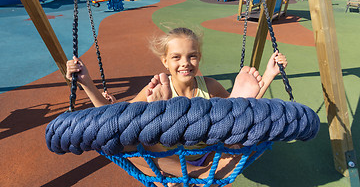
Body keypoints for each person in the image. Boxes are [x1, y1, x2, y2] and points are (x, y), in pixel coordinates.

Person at [66, 27, 287, 186]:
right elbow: (114, 122)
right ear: (165, 61)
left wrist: (269, 74)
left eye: (192, 56)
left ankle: (187, 175)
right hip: (166, 158)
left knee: (245, 125)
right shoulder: (157, 88)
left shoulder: (209, 86)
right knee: (119, 139)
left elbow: (243, 115)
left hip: (210, 155)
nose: (185, 63)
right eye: (176, 57)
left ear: (199, 59)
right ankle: (195, 174)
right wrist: (86, 83)